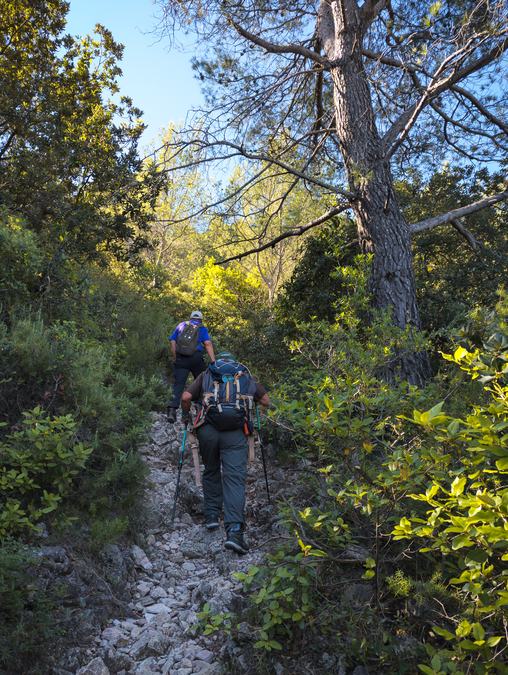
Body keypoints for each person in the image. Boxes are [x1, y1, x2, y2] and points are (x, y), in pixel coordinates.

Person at [181, 352, 270, 554]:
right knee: (234, 480)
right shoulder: (244, 374)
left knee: (211, 469)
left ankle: (212, 516)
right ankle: (235, 532)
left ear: (219, 361)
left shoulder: (207, 374)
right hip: (236, 434)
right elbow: (265, 401)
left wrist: (186, 415)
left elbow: (186, 397)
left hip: (208, 432)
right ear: (234, 361)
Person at [167, 310, 215, 423]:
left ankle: (171, 411)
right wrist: (213, 361)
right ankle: (199, 406)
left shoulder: (182, 325)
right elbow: (207, 344)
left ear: (190, 317)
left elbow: (173, 342)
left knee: (178, 384)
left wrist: (175, 357)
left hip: (181, 358)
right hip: (196, 359)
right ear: (201, 319)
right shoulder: (202, 329)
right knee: (201, 381)